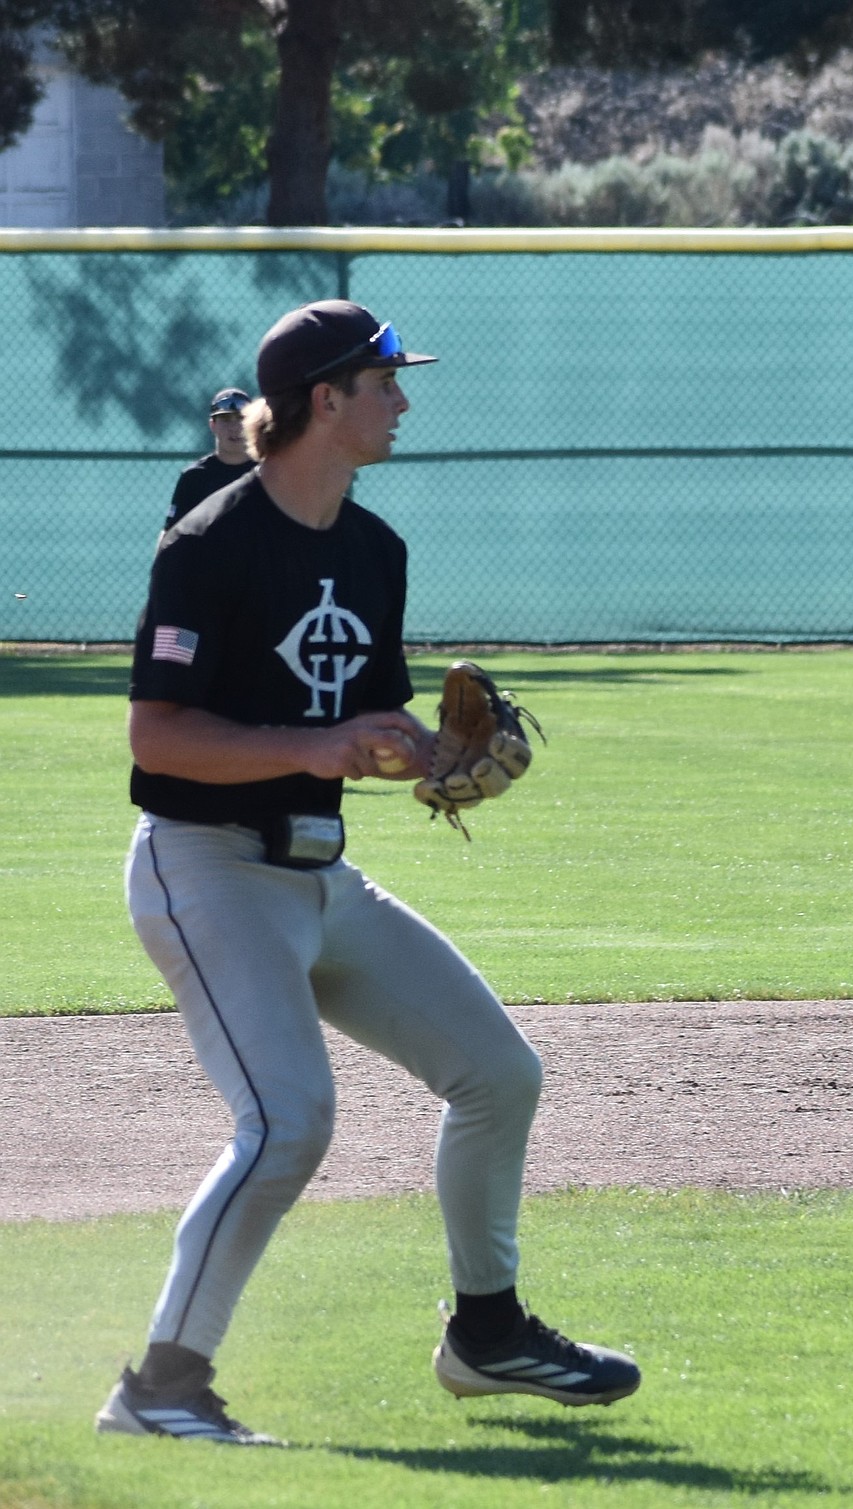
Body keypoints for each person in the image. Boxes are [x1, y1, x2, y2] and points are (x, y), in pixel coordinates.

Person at [95, 299, 640, 1446]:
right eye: (384, 383)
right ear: (325, 401)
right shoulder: (209, 545)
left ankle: (487, 1334)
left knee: (498, 1072)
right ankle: (160, 1387)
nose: (403, 401)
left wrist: (431, 758)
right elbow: (157, 737)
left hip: (319, 876)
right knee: (288, 1122)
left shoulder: (371, 547)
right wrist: (311, 748)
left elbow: (362, 718)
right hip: (207, 870)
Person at [162, 387, 255, 531]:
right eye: (225, 419)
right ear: (213, 425)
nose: (234, 427)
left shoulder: (269, 472)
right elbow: (171, 534)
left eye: (240, 418)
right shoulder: (194, 477)